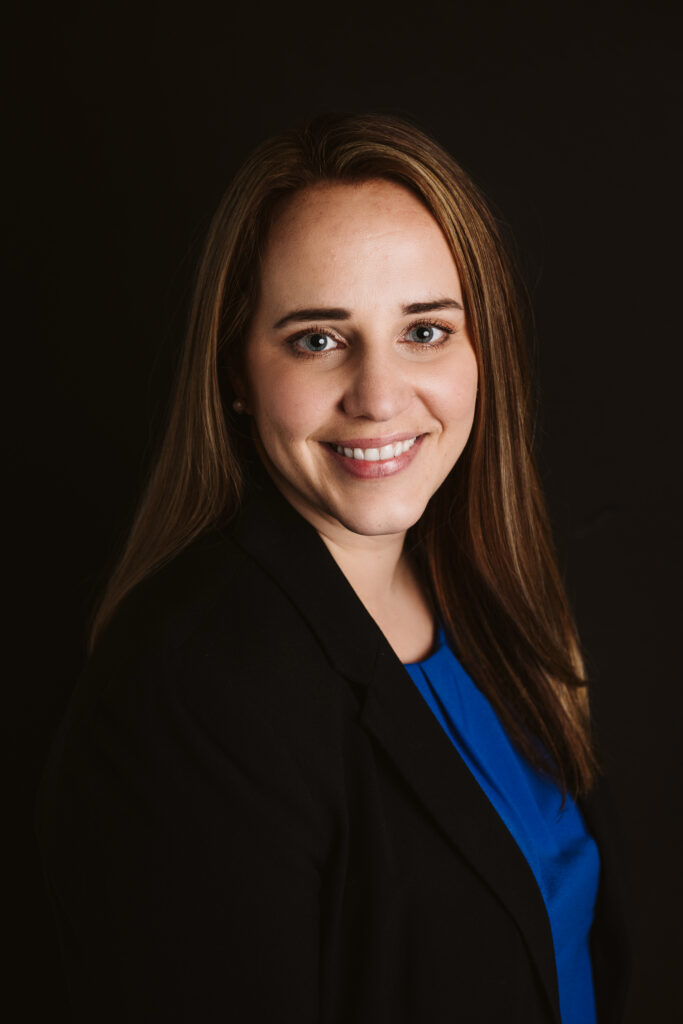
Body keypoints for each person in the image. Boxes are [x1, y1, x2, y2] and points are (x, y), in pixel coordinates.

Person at [34, 112, 631, 1023]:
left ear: (483, 350)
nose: (380, 396)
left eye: (424, 332)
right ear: (235, 369)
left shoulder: (482, 594)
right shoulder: (188, 688)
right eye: (318, 338)